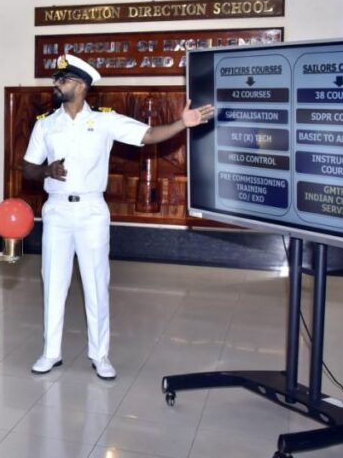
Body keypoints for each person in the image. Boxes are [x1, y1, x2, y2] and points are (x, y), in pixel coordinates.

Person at [23, 54, 213, 380]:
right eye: (58, 79)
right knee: (54, 282)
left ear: (81, 86)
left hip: (91, 211)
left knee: (97, 283)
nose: (57, 84)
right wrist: (46, 170)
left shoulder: (105, 121)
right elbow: (28, 168)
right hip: (56, 210)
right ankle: (50, 352)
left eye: (63, 80)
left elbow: (148, 135)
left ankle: (100, 355)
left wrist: (183, 123)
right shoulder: (46, 124)